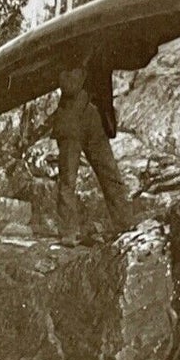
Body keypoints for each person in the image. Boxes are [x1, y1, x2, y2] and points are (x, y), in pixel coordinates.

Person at [41, 62, 133, 244]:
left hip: (95, 123)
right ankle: (68, 233)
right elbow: (69, 87)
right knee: (68, 180)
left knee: (111, 175)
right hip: (71, 125)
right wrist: (83, 65)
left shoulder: (100, 52)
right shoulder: (68, 56)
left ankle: (124, 226)